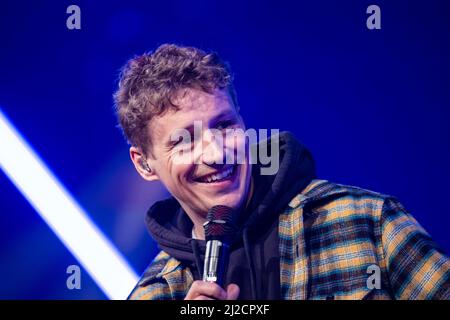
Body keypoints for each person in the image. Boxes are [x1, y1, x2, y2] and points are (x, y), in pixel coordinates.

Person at [113, 43, 450, 300]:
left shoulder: (366, 221)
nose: (216, 153)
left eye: (225, 125)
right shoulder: (155, 292)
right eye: (184, 142)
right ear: (144, 163)